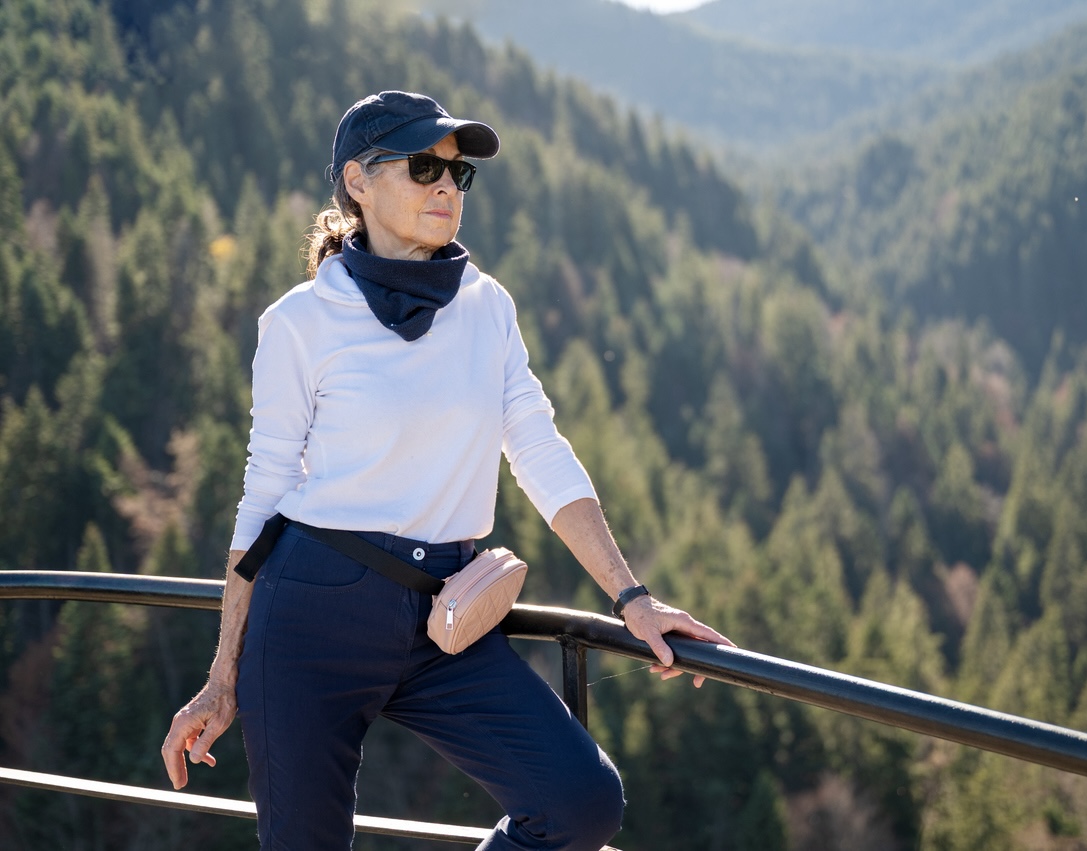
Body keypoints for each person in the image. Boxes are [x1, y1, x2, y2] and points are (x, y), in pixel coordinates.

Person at [160, 90, 733, 851]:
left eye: (457, 175)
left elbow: (539, 449)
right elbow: (261, 496)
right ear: (358, 183)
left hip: (447, 621)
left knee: (580, 803)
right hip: (312, 614)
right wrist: (223, 673)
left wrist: (632, 597)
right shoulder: (299, 321)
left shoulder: (486, 306)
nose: (444, 187)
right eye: (423, 166)